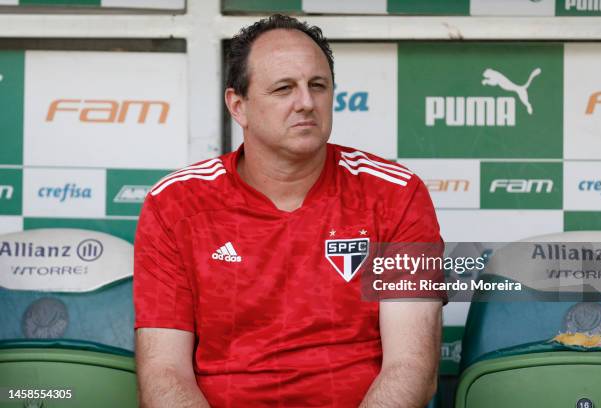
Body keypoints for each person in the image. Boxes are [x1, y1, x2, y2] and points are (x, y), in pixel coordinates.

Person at [133, 14, 444, 408]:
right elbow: (163, 374)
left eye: (318, 86)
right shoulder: (175, 204)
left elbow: (412, 367)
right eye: (284, 89)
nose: (306, 103)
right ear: (238, 105)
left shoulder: (396, 194)